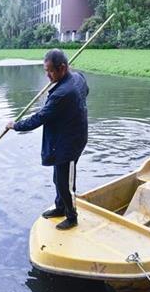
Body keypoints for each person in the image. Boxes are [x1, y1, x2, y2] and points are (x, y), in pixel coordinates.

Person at [6, 49, 89, 230]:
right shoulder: (78, 77)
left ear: (62, 68)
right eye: (46, 71)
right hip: (69, 135)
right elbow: (86, 91)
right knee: (58, 179)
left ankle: (71, 217)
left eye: (50, 71)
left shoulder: (62, 94)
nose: (47, 75)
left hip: (70, 143)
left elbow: (39, 118)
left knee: (66, 183)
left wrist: (15, 125)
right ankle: (60, 207)